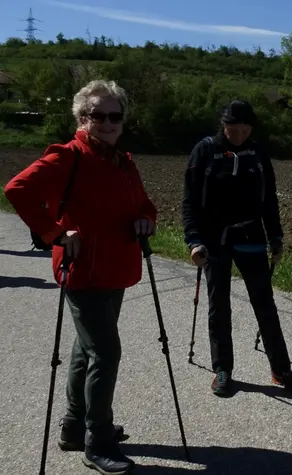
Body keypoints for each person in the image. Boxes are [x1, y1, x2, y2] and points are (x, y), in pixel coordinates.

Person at [4, 79, 156, 474]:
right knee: (105, 352)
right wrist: (54, 233)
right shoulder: (68, 156)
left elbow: (144, 205)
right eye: (97, 115)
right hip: (83, 271)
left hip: (116, 268)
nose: (106, 122)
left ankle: (74, 426)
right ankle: (98, 440)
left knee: (85, 350)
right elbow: (17, 189)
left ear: (122, 120)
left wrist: (145, 219)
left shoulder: (123, 161)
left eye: (114, 115)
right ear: (81, 117)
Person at [181, 99, 292, 397]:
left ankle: (280, 369)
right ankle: (222, 370)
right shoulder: (205, 151)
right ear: (223, 126)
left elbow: (269, 199)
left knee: (265, 303)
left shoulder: (257, 154)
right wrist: (194, 240)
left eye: (245, 130)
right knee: (219, 305)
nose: (239, 136)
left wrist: (275, 237)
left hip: (251, 236)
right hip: (214, 239)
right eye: (233, 130)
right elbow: (190, 201)